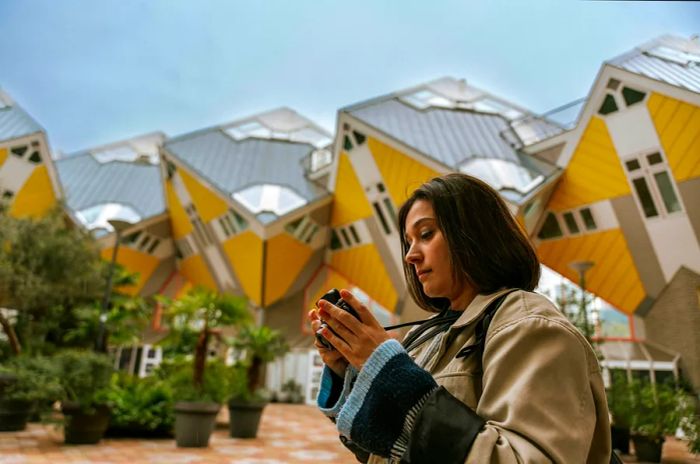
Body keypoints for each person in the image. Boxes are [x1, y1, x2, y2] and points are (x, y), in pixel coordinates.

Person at [308, 173, 612, 463]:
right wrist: (349, 367)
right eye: (409, 241)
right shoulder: (431, 335)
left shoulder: (531, 326)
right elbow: (384, 450)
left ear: (475, 234)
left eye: (426, 234)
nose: (410, 255)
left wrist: (388, 371)